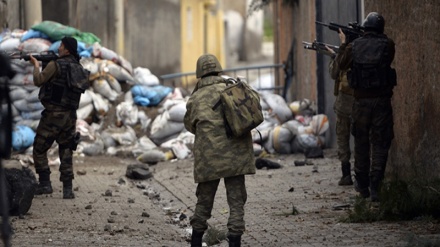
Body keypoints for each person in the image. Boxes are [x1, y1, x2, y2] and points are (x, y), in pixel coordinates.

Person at [184, 54, 256, 247]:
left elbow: (190, 126)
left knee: (204, 201)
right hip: (236, 156)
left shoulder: (195, 99)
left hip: (209, 159)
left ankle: (196, 241)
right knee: (236, 201)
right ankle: (235, 241)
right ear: (219, 69)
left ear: (199, 73)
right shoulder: (232, 89)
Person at [336, 12, 396, 201]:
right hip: (381, 102)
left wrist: (347, 42)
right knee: (380, 143)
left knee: (361, 143)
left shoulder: (354, 46)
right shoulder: (388, 44)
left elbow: (341, 64)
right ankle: (376, 185)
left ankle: (362, 186)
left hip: (361, 103)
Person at [30, 37, 89, 199]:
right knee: (66, 148)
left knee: (39, 148)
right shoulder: (78, 67)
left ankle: (45, 184)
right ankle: (67, 190)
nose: (59, 48)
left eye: (62, 46)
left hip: (54, 114)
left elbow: (38, 80)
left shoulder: (55, 65)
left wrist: (36, 66)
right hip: (70, 115)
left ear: (67, 49)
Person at [327, 46, 354, 186]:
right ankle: (366, 176)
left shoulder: (345, 53)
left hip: (344, 104)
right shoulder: (364, 49)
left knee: (343, 138)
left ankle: (346, 174)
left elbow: (333, 72)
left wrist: (334, 57)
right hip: (362, 102)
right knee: (364, 139)